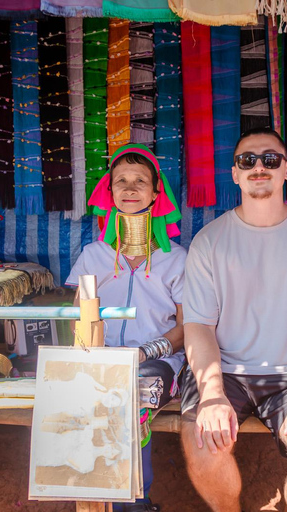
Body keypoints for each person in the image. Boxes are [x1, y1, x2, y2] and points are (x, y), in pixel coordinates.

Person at [181, 127, 287, 512]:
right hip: (224, 370)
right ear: (235, 174)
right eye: (247, 160)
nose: (259, 166)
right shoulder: (209, 242)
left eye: (270, 159)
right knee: (204, 450)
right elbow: (199, 327)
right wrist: (212, 393)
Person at [66, 143, 186, 512]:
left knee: (132, 395)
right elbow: (79, 316)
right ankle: (90, 492)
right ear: (110, 192)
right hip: (101, 357)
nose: (130, 189)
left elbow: (187, 326)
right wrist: (92, 355)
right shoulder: (94, 255)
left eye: (140, 182)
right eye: (121, 181)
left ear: (156, 193)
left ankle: (136, 500)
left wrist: (146, 352)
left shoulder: (176, 259)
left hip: (158, 363)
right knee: (80, 395)